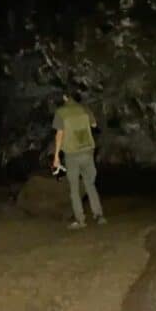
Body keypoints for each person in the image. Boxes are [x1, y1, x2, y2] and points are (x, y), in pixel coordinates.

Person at [51, 92, 105, 229]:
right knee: (90, 184)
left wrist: (56, 156)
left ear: (65, 97)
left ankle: (80, 220)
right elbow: (93, 125)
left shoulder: (61, 112)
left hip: (72, 154)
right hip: (87, 151)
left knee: (74, 188)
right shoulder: (85, 109)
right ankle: (99, 215)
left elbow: (59, 134)